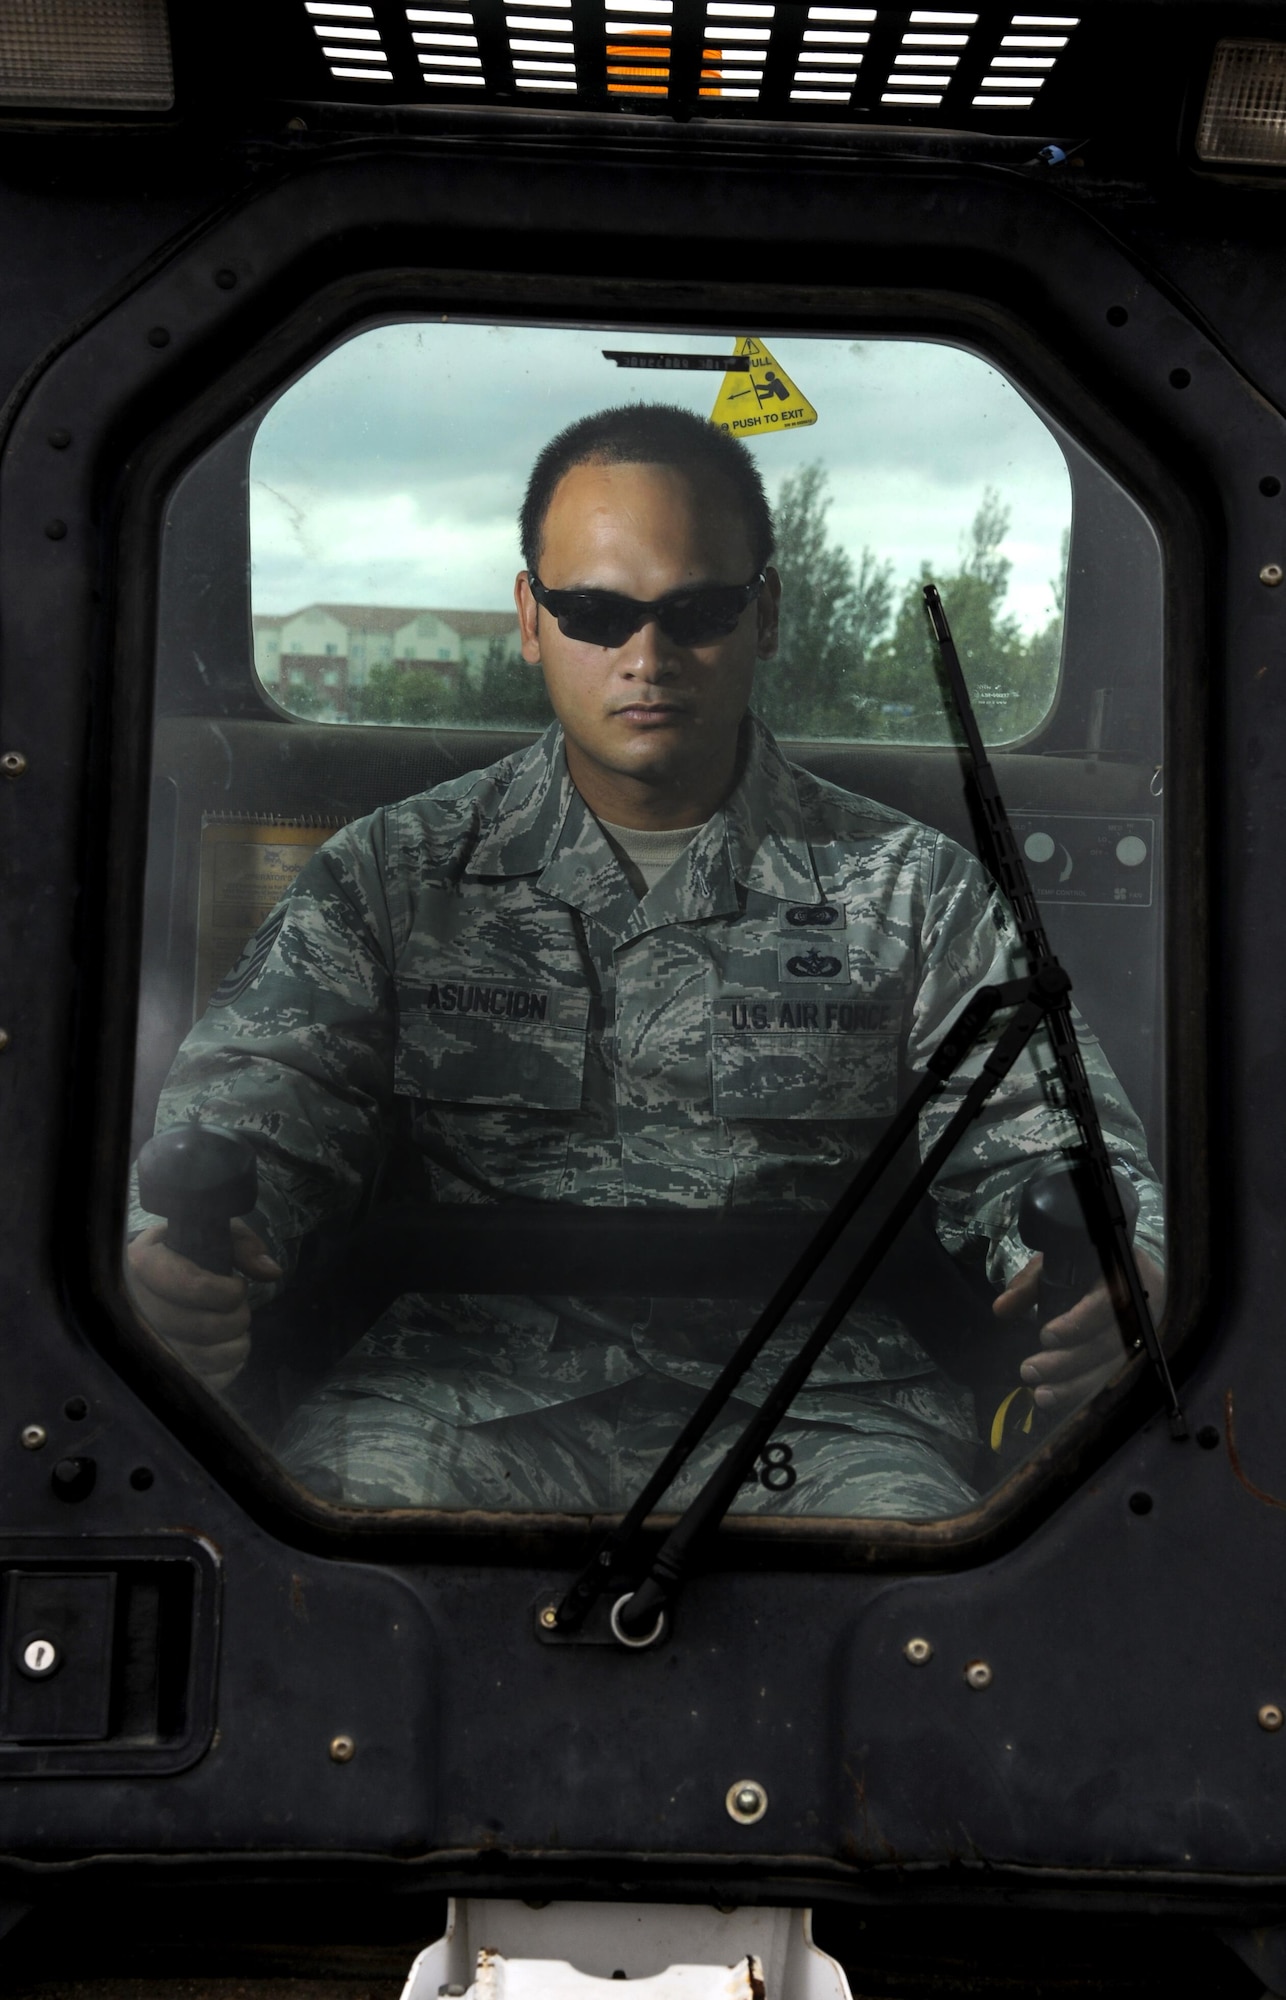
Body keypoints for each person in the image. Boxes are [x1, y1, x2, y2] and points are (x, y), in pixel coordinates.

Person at [126, 404, 1165, 1516]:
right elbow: (262, 1105)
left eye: (698, 611)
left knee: (922, 1565)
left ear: (763, 614)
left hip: (816, 1404)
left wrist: (1119, 1258)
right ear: (529, 616)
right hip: (457, 1390)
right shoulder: (394, 874)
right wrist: (182, 1252)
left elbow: (1042, 1141)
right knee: (337, 1531)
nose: (646, 656)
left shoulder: (911, 890)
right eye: (594, 612)